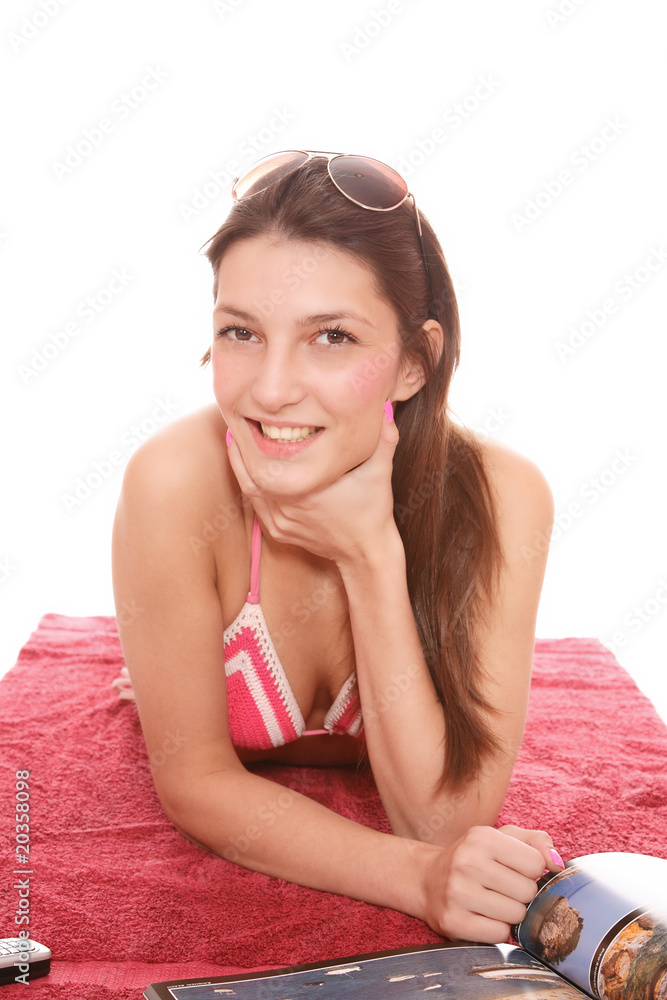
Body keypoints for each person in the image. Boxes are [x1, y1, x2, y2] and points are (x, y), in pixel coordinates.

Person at [111, 149, 560, 944]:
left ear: (413, 363)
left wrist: (369, 555)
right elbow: (196, 782)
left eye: (331, 336)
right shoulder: (173, 483)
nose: (271, 388)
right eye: (241, 332)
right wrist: (415, 878)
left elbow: (442, 820)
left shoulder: (503, 498)